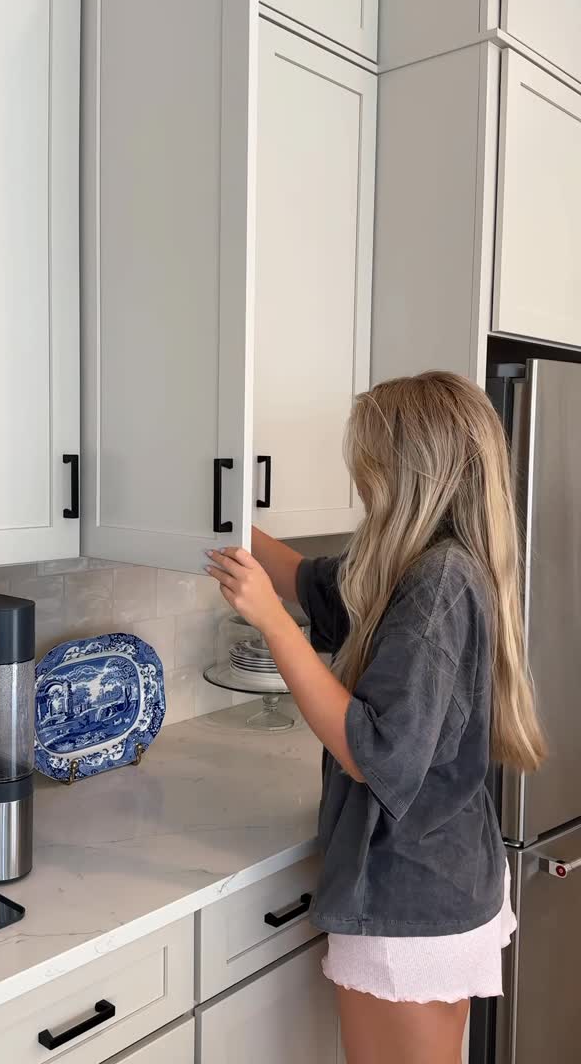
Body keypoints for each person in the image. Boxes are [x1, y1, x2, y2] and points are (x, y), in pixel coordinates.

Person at [205, 371, 546, 1064]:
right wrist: (220, 515)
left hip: (409, 895)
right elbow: (313, 585)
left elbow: (374, 752)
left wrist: (272, 623)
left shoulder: (438, 582)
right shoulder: (420, 562)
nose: (360, 478)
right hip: (437, 878)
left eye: (368, 461)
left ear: (405, 469)